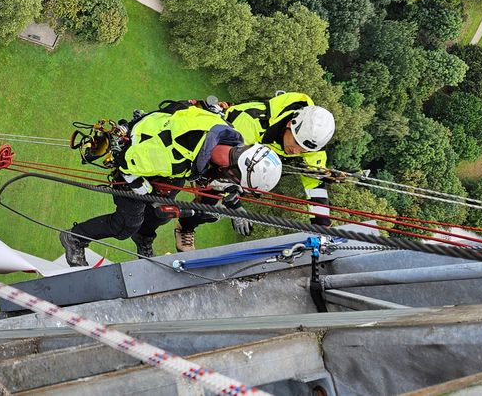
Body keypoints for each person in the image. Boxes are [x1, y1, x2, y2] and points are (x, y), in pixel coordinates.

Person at [59, 105, 283, 267]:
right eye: (235, 180)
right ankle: (75, 237)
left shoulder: (228, 135)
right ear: (233, 167)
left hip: (166, 158)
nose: (231, 183)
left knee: (163, 213)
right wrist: (146, 192)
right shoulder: (170, 157)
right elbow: (126, 165)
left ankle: (143, 237)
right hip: (136, 161)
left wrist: (234, 204)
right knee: (126, 224)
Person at [224, 92, 336, 230]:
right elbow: (221, 160)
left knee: (210, 211)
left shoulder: (311, 146)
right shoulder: (252, 121)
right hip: (209, 146)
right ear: (290, 124)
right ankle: (189, 228)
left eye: (303, 150)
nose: (296, 151)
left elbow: (315, 184)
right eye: (296, 142)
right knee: (209, 201)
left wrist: (322, 224)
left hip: (241, 160)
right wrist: (234, 206)